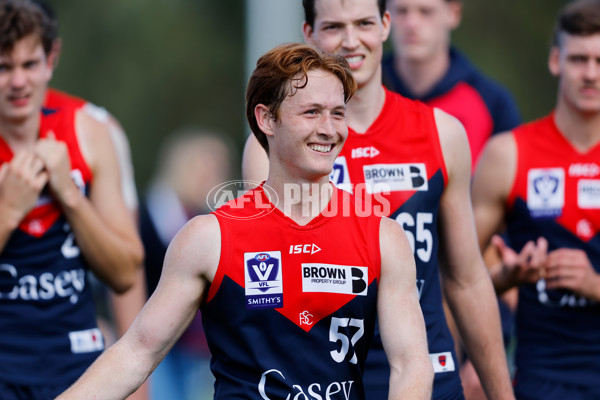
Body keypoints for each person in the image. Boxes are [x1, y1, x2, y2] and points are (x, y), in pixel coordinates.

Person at [57, 42, 433, 400]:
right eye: (311, 112)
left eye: (338, 113)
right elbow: (137, 352)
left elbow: (411, 364)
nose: (329, 128)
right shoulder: (210, 238)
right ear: (266, 118)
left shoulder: (382, 236)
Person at [242, 0, 514, 399]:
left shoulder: (442, 133)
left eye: (364, 23)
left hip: (428, 371)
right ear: (310, 34)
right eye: (334, 26)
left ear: (386, 25)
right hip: (323, 382)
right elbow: (266, 281)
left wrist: (501, 395)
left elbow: (466, 278)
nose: (351, 41)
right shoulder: (270, 145)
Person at [0, 0, 144, 398]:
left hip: (76, 365)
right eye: (3, 67)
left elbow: (124, 273)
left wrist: (70, 195)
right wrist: (8, 210)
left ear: (52, 57)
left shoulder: (89, 132)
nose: (17, 82)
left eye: (29, 65)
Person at [471, 0, 600, 398]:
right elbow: (459, 269)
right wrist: (505, 278)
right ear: (556, 60)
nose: (591, 73)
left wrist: (594, 284)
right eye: (579, 59)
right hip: (541, 376)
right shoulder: (507, 154)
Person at [140, 129, 232, 400]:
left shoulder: (211, 220)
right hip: (155, 339)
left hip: (197, 346)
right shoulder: (150, 215)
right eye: (204, 169)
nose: (212, 177)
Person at [382, 0, 521, 170]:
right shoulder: (359, 93)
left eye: (426, 12)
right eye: (402, 11)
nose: (411, 23)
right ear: (385, 16)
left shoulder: (492, 103)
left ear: (453, 13)